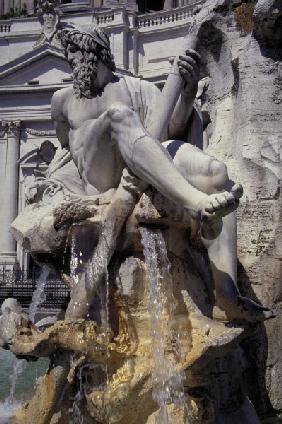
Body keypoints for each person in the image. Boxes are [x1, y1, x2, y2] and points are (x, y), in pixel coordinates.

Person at [51, 24, 274, 323]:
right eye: (69, 51)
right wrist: (50, 186)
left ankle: (227, 293)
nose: (71, 57)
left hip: (144, 168)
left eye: (77, 50)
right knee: (119, 115)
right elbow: (64, 152)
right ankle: (197, 204)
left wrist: (188, 93)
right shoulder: (63, 100)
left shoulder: (137, 88)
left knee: (216, 173)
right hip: (102, 178)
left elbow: (169, 131)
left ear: (98, 53)